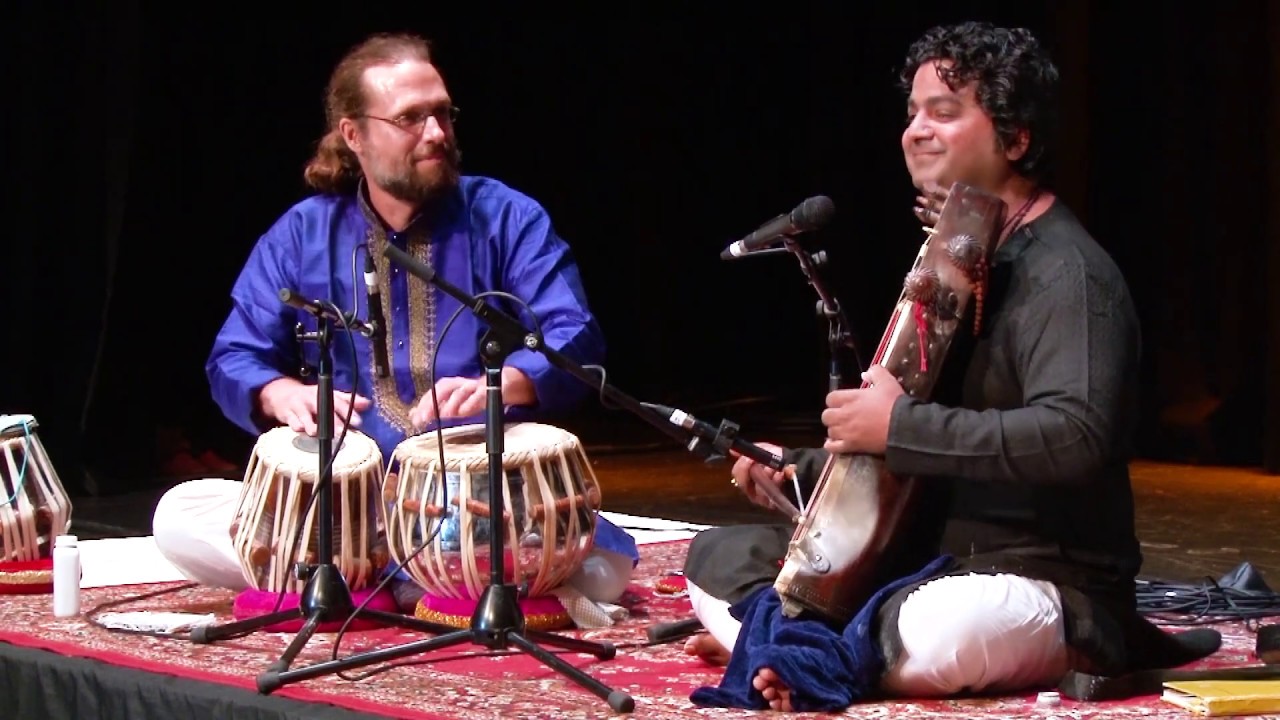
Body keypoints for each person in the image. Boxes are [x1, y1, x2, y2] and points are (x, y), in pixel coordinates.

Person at [681, 21, 1218, 712]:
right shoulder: (957, 259)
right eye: (912, 113)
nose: (916, 131)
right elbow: (926, 450)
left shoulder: (1070, 275)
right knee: (718, 558)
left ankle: (791, 649)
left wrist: (897, 425)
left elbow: (1078, 436)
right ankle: (811, 648)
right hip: (925, 561)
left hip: (1041, 578)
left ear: (1017, 138)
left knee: (931, 630)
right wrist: (805, 468)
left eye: (944, 112)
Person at [150, 32, 637, 619]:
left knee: (607, 570)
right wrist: (279, 393)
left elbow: (575, 334)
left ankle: (379, 583)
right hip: (343, 511)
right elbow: (233, 355)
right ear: (354, 135)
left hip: (482, 509)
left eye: (442, 114)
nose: (436, 133)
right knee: (177, 516)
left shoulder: (505, 217)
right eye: (410, 118)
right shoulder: (303, 235)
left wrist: (508, 382)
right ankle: (404, 579)